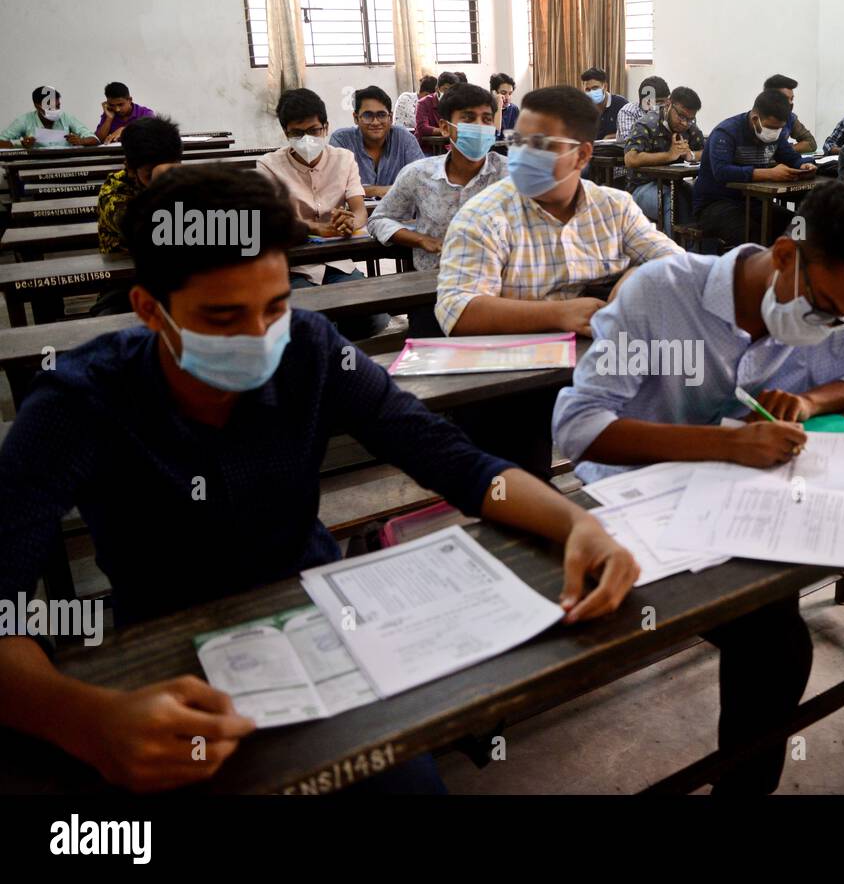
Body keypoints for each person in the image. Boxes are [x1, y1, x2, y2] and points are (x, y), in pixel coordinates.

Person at [0, 165, 640, 794]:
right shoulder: (79, 400)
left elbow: (455, 463)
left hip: (319, 621)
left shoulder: (307, 346)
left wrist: (577, 522)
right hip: (164, 648)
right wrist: (86, 720)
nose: (258, 336)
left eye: (274, 306)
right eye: (223, 319)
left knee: (403, 787)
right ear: (148, 309)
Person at [553, 180, 844, 793]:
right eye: (823, 304)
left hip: (737, 504)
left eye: (842, 316)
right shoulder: (662, 294)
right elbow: (578, 427)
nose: (829, 325)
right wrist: (726, 444)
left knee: (776, 624)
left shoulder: (828, 312)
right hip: (637, 506)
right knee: (777, 645)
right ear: (784, 255)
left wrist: (809, 398)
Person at [437, 85, 681, 341]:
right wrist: (558, 314)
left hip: (610, 360)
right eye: (518, 140)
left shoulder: (614, 207)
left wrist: (638, 276)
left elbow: (677, 263)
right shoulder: (484, 215)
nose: (522, 153)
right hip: (526, 371)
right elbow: (457, 311)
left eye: (539, 144)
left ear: (582, 155)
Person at [367, 83, 507, 337]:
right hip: (435, 288)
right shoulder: (419, 174)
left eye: (487, 120)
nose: (480, 127)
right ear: (445, 127)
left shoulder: (509, 174)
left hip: (497, 286)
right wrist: (419, 239)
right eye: (468, 119)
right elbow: (379, 219)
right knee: (433, 362)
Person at [256, 88, 387, 340]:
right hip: (294, 268)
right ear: (286, 133)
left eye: (314, 130)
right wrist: (314, 227)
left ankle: (331, 342)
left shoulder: (343, 159)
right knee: (307, 322)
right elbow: (274, 220)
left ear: (325, 127)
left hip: (338, 262)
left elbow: (359, 210)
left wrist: (351, 222)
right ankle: (327, 344)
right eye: (297, 133)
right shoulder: (269, 166)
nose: (307, 139)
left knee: (374, 317)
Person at [693, 89, 817, 248]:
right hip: (715, 204)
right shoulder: (725, 132)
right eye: (771, 128)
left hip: (753, 202)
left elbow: (791, 157)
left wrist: (803, 165)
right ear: (755, 118)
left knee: (801, 227)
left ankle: (792, 270)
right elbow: (722, 172)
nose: (775, 133)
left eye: (779, 129)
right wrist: (769, 174)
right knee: (753, 236)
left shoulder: (775, 134)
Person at [92, 115, 184, 316]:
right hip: (127, 286)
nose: (160, 178)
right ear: (130, 168)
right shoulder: (114, 192)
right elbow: (148, 230)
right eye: (149, 174)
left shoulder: (189, 181)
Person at [624, 86, 705, 226]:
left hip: (677, 184)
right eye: (681, 116)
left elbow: (707, 152)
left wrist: (691, 155)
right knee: (672, 201)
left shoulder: (690, 128)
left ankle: (696, 247)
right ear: (668, 104)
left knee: (701, 198)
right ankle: (671, 246)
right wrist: (669, 156)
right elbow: (630, 159)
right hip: (641, 187)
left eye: (690, 119)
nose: (685, 123)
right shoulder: (646, 124)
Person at [329, 85, 424, 198]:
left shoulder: (404, 138)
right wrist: (387, 190)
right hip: (353, 214)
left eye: (381, 115)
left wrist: (363, 190)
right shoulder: (342, 141)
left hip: (399, 215)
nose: (375, 122)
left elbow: (422, 182)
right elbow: (335, 187)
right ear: (355, 118)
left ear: (390, 117)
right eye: (368, 115)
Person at [0, 86, 97, 148]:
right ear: (37, 105)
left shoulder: (66, 117)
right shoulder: (24, 121)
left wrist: (81, 141)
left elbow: (94, 140)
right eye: (50, 107)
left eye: (58, 106)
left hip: (66, 165)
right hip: (34, 168)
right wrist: (20, 144)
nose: (56, 110)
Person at [763, 74, 817, 154]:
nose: (790, 103)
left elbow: (811, 143)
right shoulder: (755, 119)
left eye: (792, 99)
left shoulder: (790, 117)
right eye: (785, 99)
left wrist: (785, 150)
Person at [618, 75, 669, 141]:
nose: (664, 105)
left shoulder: (668, 110)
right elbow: (629, 142)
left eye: (666, 101)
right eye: (659, 102)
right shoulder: (628, 112)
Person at [582, 67, 628, 140]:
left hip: (616, 150)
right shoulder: (582, 109)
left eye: (595, 88)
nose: (591, 92)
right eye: (587, 89)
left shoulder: (621, 104)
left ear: (605, 87)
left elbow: (631, 132)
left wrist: (612, 137)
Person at [415, 72, 461, 138]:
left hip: (448, 145)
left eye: (452, 90)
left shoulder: (455, 105)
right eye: (445, 89)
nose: (449, 94)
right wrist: (446, 131)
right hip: (427, 146)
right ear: (437, 89)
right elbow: (422, 128)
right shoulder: (423, 103)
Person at [491, 72, 519, 138]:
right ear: (494, 93)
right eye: (503, 93)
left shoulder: (514, 109)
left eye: (510, 93)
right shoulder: (487, 110)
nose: (507, 98)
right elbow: (495, 134)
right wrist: (498, 106)